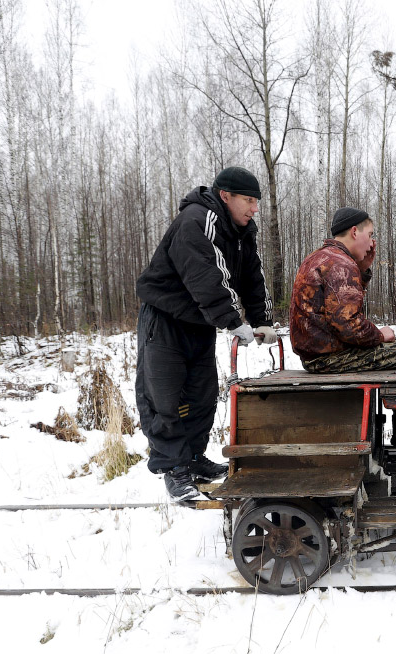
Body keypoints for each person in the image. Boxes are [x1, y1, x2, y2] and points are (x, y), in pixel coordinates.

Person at [135, 166, 276, 501]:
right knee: (165, 397)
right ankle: (173, 468)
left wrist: (261, 320)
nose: (254, 208)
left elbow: (251, 277)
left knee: (202, 394)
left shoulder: (241, 232)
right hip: (165, 320)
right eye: (248, 200)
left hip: (198, 323)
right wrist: (231, 320)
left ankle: (194, 458)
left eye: (257, 201)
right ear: (225, 196)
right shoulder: (197, 221)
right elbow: (206, 276)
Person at [289, 207, 396, 447]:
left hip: (317, 353)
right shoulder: (340, 264)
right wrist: (380, 335)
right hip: (328, 358)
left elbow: (340, 305)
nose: (372, 242)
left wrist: (362, 270)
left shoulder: (322, 257)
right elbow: (349, 326)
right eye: (370, 234)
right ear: (354, 232)